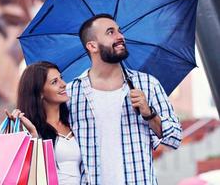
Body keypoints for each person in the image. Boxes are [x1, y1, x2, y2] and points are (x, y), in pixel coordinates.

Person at [66, 14, 182, 185]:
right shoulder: (71, 93)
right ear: (92, 46)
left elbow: (175, 138)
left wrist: (149, 113)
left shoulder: (147, 84)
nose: (120, 36)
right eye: (110, 32)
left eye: (119, 31)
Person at [5, 61, 81, 185]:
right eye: (54, 82)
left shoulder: (75, 122)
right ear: (40, 93)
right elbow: (30, 174)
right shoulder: (29, 129)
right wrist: (32, 134)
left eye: (61, 78)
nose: (63, 84)